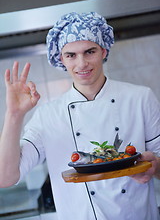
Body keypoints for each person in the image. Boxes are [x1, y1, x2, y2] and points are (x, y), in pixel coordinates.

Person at [0, 12, 160, 220]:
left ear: (103, 51)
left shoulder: (140, 98)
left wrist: (154, 166)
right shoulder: (48, 116)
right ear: (61, 59)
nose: (82, 63)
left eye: (89, 51)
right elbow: (6, 178)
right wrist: (14, 115)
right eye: (71, 55)